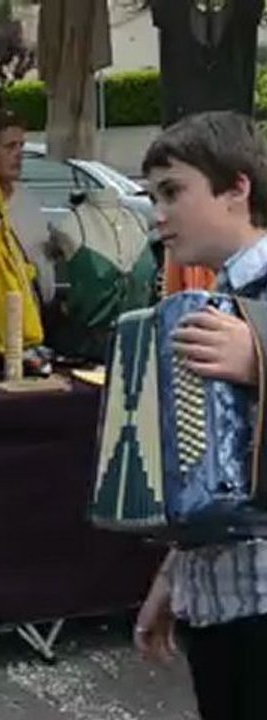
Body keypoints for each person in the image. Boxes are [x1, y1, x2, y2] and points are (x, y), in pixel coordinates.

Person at [133, 110, 267, 720]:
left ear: (238, 188)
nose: (158, 213)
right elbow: (212, 467)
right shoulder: (210, 297)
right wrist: (171, 576)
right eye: (153, 195)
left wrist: (260, 357)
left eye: (173, 191)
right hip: (221, 598)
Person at [0, 107, 57, 305]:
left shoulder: (28, 199)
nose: (19, 154)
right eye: (10, 147)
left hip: (37, 317)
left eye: (21, 146)